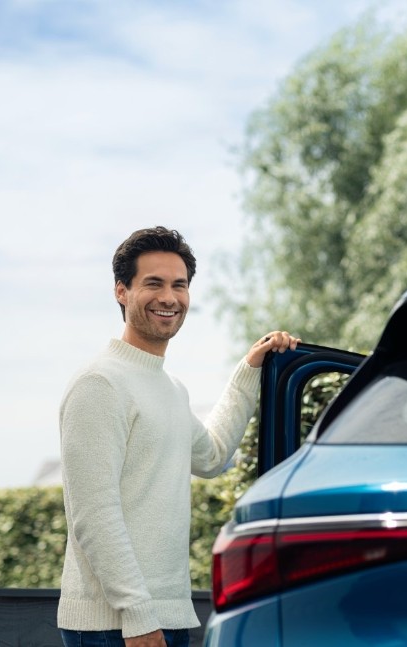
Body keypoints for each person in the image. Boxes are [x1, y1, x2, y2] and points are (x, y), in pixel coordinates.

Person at [57, 226, 299, 647]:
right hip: (114, 627)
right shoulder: (99, 384)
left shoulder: (170, 389)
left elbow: (213, 456)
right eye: (153, 283)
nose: (169, 297)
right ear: (121, 291)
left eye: (179, 285)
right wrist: (137, 617)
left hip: (163, 617)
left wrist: (250, 369)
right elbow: (93, 515)